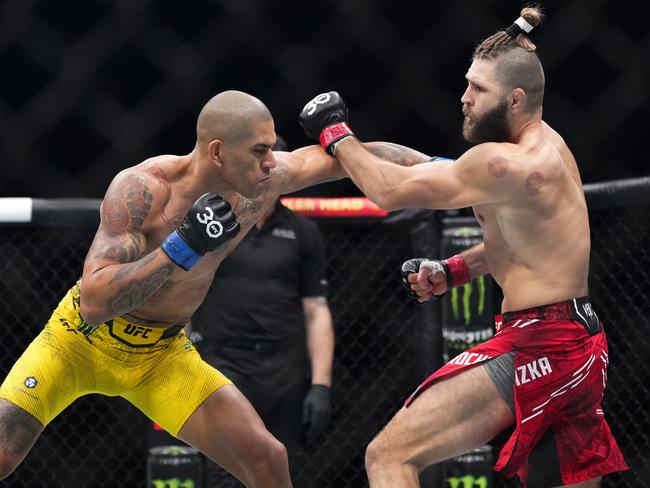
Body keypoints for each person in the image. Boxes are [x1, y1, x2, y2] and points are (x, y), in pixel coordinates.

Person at [298, 7, 628, 488]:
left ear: (515, 100)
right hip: (579, 342)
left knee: (388, 457)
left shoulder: (503, 163)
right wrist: (452, 271)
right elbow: (518, 246)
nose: (464, 98)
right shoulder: (551, 145)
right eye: (468, 83)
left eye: (478, 89)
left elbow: (389, 191)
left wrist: (334, 131)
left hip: (540, 342)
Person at [0, 90, 353, 488]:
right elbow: (96, 304)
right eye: (259, 150)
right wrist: (181, 247)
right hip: (79, 343)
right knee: (3, 452)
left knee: (267, 457)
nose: (271, 162)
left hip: (160, 356)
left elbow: (336, 160)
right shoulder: (143, 189)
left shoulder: (260, 183)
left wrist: (435, 168)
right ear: (218, 151)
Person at [191, 135, 334, 486]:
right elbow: (185, 295)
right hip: (223, 364)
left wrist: (321, 386)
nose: (270, 171)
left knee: (278, 472)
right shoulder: (215, 225)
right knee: (226, 474)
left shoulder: (303, 232)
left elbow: (316, 310)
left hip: (284, 370)